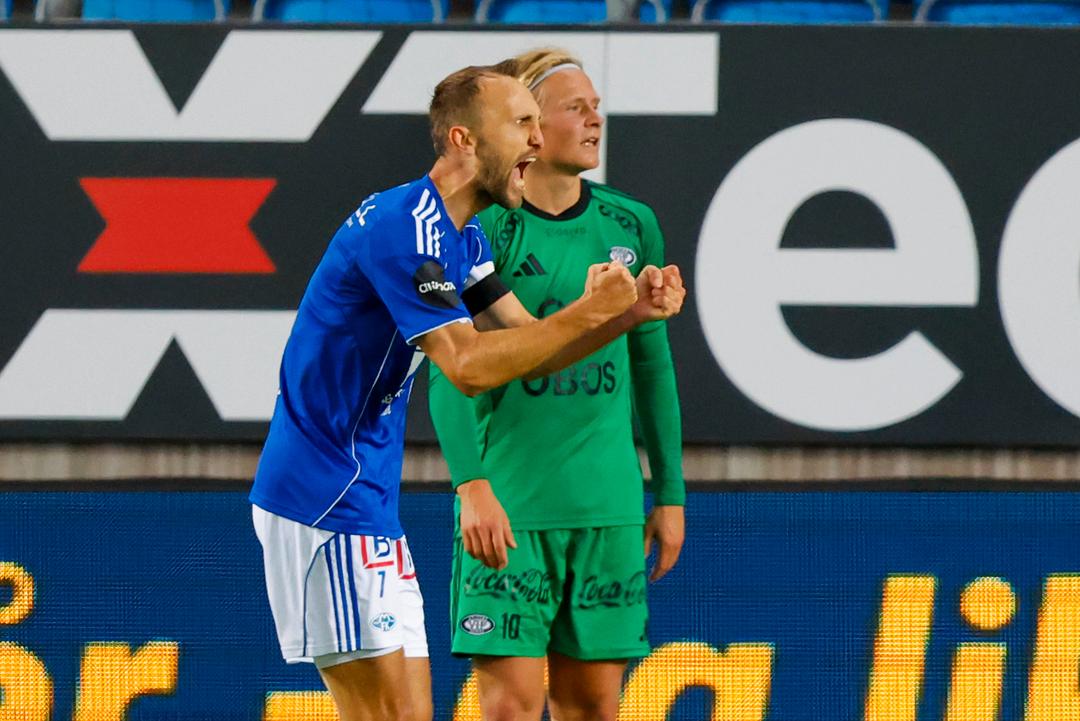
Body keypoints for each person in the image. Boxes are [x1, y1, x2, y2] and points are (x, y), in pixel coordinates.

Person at [249, 61, 684, 721]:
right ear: (463, 141)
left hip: (366, 497)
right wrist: (594, 311)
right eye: (522, 123)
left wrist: (624, 314)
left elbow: (530, 350)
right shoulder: (405, 229)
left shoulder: (463, 237)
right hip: (323, 496)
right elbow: (469, 366)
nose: (536, 141)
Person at [428, 50, 686, 721]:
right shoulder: (482, 230)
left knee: (595, 706)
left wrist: (671, 491)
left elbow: (651, 364)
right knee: (510, 706)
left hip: (607, 507)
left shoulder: (633, 225)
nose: (596, 118)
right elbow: (451, 368)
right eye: (577, 106)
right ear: (531, 128)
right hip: (513, 509)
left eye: (597, 106)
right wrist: (472, 483)